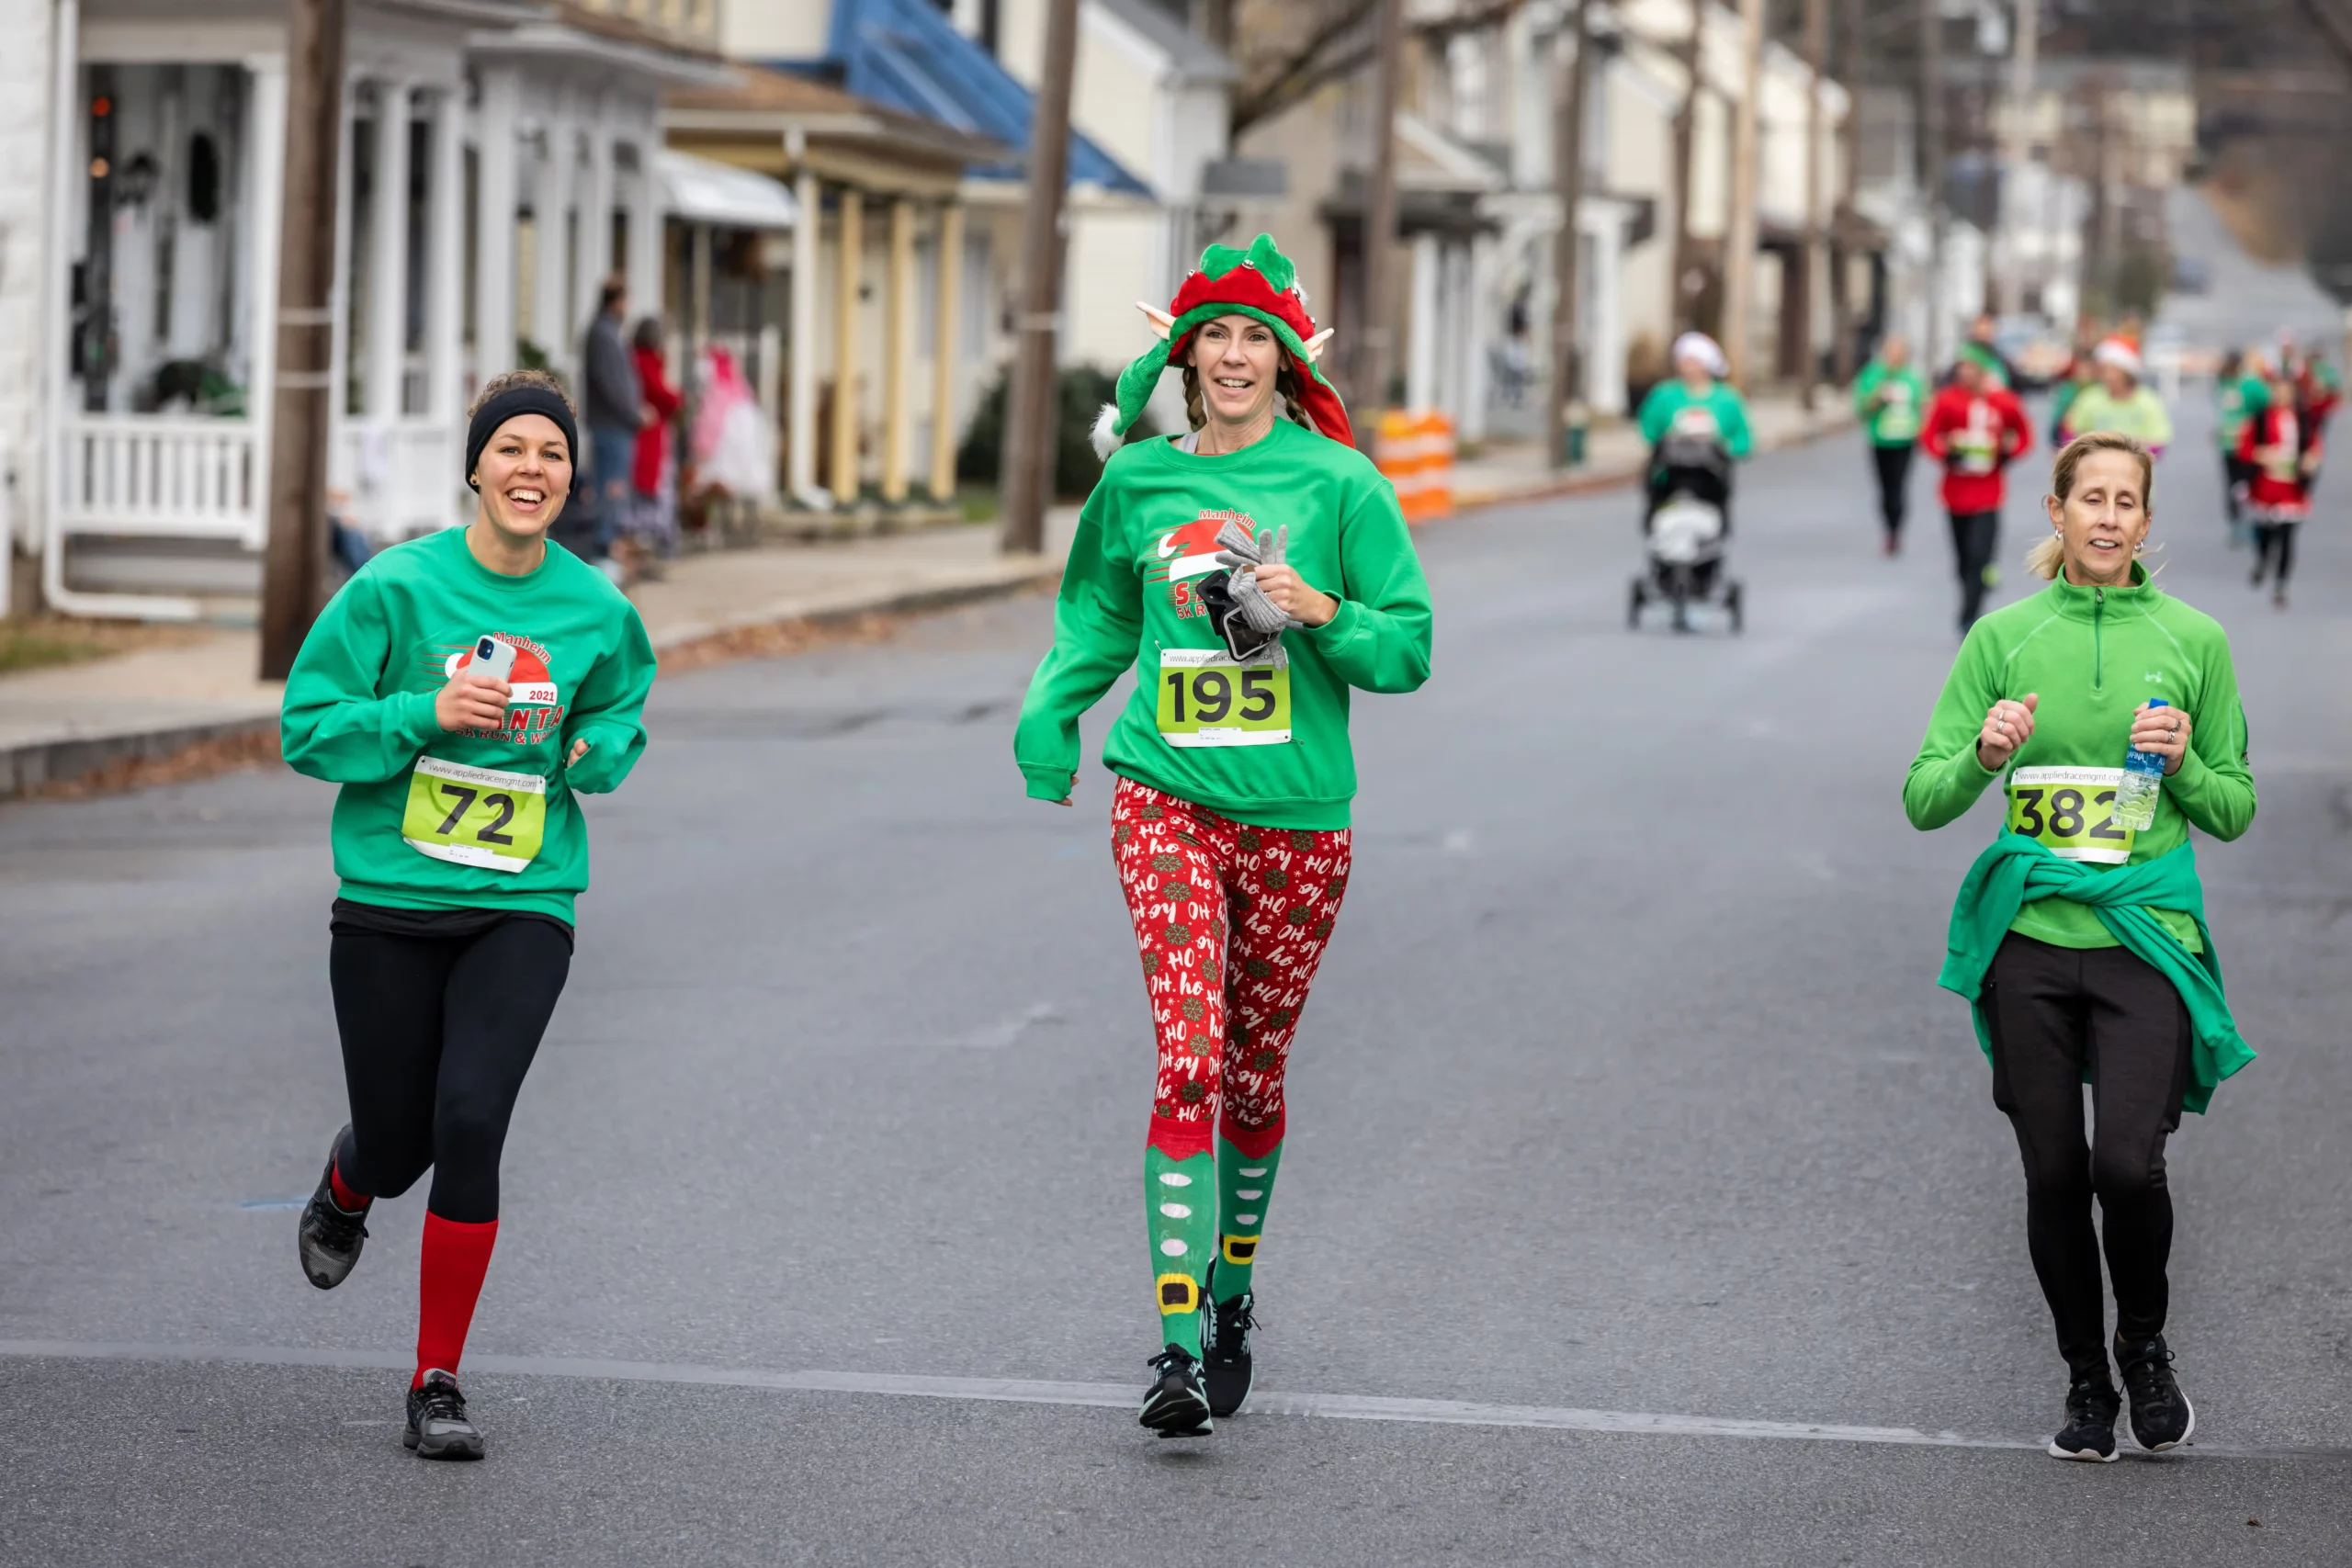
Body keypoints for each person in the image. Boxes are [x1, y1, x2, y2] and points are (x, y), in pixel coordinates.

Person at [1018, 233, 1432, 1438]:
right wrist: (1051, 721)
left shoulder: (1342, 485)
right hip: (1167, 797)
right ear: (1184, 356)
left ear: (1287, 357)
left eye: (1259, 336)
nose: (1237, 356)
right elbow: (1094, 612)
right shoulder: (1139, 482)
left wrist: (1322, 611)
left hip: (1300, 819)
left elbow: (1406, 647)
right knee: (1189, 1056)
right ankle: (1177, 1341)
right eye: (1217, 337)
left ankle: (1235, 1282)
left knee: (1252, 1071)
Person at [282, 368, 657, 1461]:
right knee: (399, 1143)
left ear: (569, 475)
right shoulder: (395, 591)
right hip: (392, 901)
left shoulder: (596, 609)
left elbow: (619, 713)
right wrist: (424, 711)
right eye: (511, 449)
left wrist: (592, 750)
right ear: (476, 467)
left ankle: (435, 1381)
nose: (531, 468)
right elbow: (309, 726)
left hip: (522, 904)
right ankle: (351, 1182)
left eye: (550, 452)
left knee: (472, 1120)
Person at [1904, 430, 2256, 1463]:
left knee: (2126, 1169)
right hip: (2033, 939)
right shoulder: (2000, 639)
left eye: (2125, 501)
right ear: (2054, 514)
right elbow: (1924, 796)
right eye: (2087, 498)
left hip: (2145, 935)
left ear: (2145, 522)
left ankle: (2144, 1347)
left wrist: (2186, 766)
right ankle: (2085, 1380)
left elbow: (2233, 807)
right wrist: (1981, 753)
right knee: (2054, 1172)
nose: (2106, 516)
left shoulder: (2195, 640)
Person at [1921, 344, 2033, 633]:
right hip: (1955, 492)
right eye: (1962, 368)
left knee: (1979, 554)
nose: (1967, 373)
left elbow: (2023, 436)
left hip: (1989, 492)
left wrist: (2009, 454)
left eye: (1973, 368)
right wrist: (1945, 453)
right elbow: (1930, 436)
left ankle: (1969, 613)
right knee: (1962, 559)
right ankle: (1973, 589)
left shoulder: (2003, 402)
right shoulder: (1947, 400)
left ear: (1984, 371)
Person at [1635, 332, 1754, 531]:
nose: (1690, 367)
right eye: (1685, 361)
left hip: (1710, 474)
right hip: (1671, 473)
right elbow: (1648, 428)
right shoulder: (1664, 395)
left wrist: (1726, 449)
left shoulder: (1726, 399)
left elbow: (1743, 437)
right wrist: (1664, 443)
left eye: (1695, 361)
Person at [2240, 357, 2320, 608]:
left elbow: (2314, 446)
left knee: (2287, 538)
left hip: (2292, 490)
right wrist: (2261, 454)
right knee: (2265, 535)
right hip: (2265, 487)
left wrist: (2310, 459)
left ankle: (2281, 585)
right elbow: (2245, 448)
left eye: (2287, 390)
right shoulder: (2262, 419)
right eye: (2278, 390)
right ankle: (2263, 560)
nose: (2282, 394)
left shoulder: (2302, 420)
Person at [582, 277, 646, 581]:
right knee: (611, 487)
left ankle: (609, 545)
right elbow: (612, 384)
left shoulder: (607, 333)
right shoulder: (603, 335)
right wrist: (634, 413)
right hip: (612, 425)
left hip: (615, 424)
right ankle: (603, 547)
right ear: (616, 300)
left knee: (614, 488)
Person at [1853, 333, 1928, 555]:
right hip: (1881, 439)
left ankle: (1896, 530)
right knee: (1885, 488)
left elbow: (1923, 405)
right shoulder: (1873, 375)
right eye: (1891, 351)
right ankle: (1889, 527)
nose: (1895, 356)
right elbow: (1861, 408)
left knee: (1899, 486)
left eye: (1899, 351)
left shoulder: (1912, 377)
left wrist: (1923, 431)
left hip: (1905, 440)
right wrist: (1879, 395)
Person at [628, 317, 683, 566]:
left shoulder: (636, 360)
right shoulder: (645, 361)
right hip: (649, 435)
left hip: (650, 434)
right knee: (653, 492)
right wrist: (678, 398)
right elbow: (664, 395)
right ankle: (652, 547)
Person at [2058, 338, 2172, 455]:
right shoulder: (2089, 398)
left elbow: (2158, 445)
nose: (2105, 374)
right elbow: (2069, 435)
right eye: (2103, 369)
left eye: (2110, 369)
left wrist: (2112, 444)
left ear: (2125, 371)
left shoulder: (2148, 401)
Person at [2213, 348, 2267, 545]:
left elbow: (2266, 406)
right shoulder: (2223, 383)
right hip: (2228, 446)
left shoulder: (2251, 384)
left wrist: (2254, 429)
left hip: (2248, 446)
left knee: (2248, 486)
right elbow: (2225, 412)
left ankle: (2254, 526)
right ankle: (2236, 527)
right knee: (2232, 487)